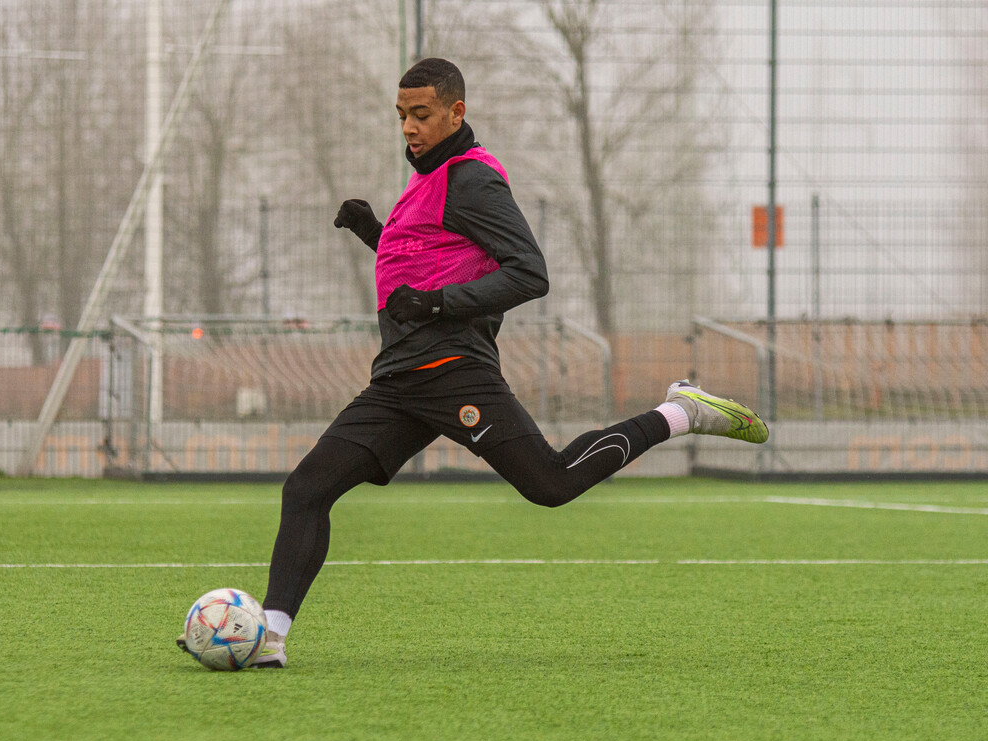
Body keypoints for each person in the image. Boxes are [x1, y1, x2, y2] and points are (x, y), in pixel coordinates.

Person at [178, 57, 768, 668]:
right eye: (402, 115)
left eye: (422, 115)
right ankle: (268, 639)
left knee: (552, 484)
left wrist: (435, 305)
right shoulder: (423, 180)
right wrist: (372, 232)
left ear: (457, 112)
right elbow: (428, 266)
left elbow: (529, 273)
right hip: (398, 383)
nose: (409, 127)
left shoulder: (472, 179)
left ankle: (679, 412)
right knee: (306, 490)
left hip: (456, 370)